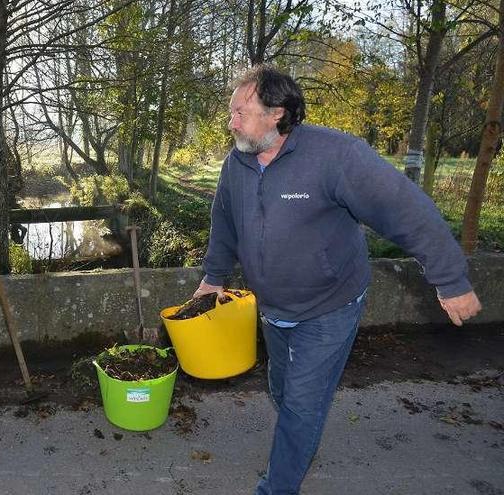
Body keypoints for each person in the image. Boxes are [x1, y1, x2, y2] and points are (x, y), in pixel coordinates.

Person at [193, 65, 482, 494]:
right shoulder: (238, 162)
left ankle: (278, 486)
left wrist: (451, 279)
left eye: (240, 111)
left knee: (301, 405)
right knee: (282, 388)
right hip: (273, 309)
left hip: (330, 306)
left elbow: (404, 208)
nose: (230, 121)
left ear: (277, 113)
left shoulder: (336, 155)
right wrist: (213, 278)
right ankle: (299, 436)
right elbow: (224, 223)